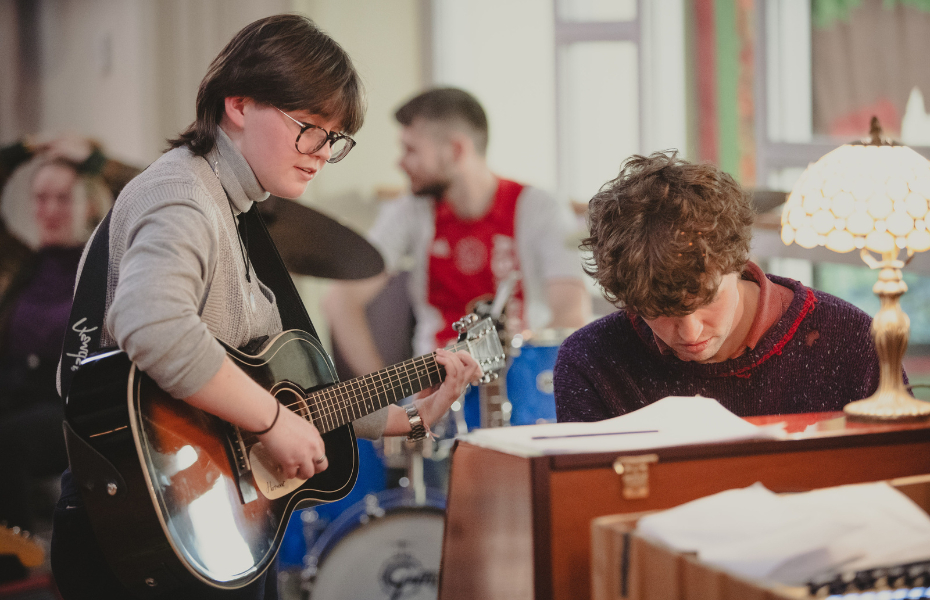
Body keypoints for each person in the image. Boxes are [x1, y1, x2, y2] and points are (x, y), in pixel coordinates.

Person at [49, 15, 480, 600]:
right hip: (145, 521)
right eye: (310, 128)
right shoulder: (182, 195)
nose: (323, 152)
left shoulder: (234, 207)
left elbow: (282, 391)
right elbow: (150, 323)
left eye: (335, 138)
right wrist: (272, 421)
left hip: (206, 517)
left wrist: (406, 418)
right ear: (239, 105)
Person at [554, 151, 884, 422]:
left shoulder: (850, 341)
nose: (689, 333)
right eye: (658, 313)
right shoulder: (590, 363)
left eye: (706, 300)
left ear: (738, 259)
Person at [324, 87, 590, 403]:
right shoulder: (411, 209)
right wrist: (382, 398)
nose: (400, 163)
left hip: (521, 388)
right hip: (435, 395)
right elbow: (339, 300)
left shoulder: (539, 207)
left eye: (411, 150)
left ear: (455, 150)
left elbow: (571, 314)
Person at [0, 136, 125, 536]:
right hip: (16, 396)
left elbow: (147, 197)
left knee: (6, 440)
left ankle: (13, 566)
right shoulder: (23, 263)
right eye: (40, 198)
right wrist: (25, 149)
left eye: (62, 198)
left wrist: (96, 161)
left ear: (88, 204)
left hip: (71, 408)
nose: (48, 211)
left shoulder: (109, 264)